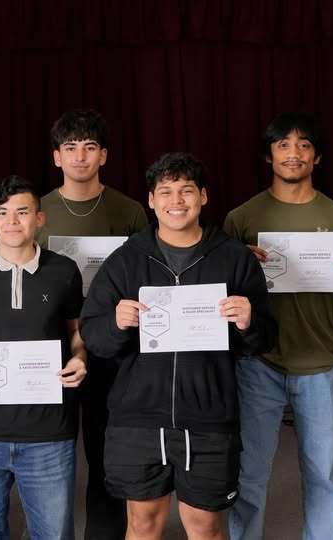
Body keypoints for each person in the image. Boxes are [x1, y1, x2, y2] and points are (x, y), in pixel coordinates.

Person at [79, 152, 277, 540]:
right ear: (151, 201)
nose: (176, 201)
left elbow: (266, 340)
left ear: (203, 196)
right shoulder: (124, 261)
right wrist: (116, 323)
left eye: (186, 191)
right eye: (165, 192)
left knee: (206, 527)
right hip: (138, 417)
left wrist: (248, 321)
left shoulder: (235, 259)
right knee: (143, 524)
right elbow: (95, 337)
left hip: (208, 417)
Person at [225, 113, 333, 540]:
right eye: (283, 145)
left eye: (304, 145)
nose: (294, 153)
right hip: (258, 362)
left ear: (318, 156)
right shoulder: (241, 217)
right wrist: (240, 270)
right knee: (249, 474)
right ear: (268, 156)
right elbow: (223, 298)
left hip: (321, 362)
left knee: (324, 474)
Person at [0, 175, 88, 539]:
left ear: (39, 219)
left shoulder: (64, 271)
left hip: (49, 433)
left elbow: (76, 331)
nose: (12, 221)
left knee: (53, 533)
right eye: (2, 213)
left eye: (22, 212)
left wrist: (79, 357)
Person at [37, 109, 147, 539]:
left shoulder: (130, 210)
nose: (79, 157)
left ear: (104, 155)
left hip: (113, 347)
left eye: (89, 147)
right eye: (70, 148)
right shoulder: (37, 211)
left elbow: (146, 276)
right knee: (48, 453)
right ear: (56, 157)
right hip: (50, 346)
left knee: (106, 452)